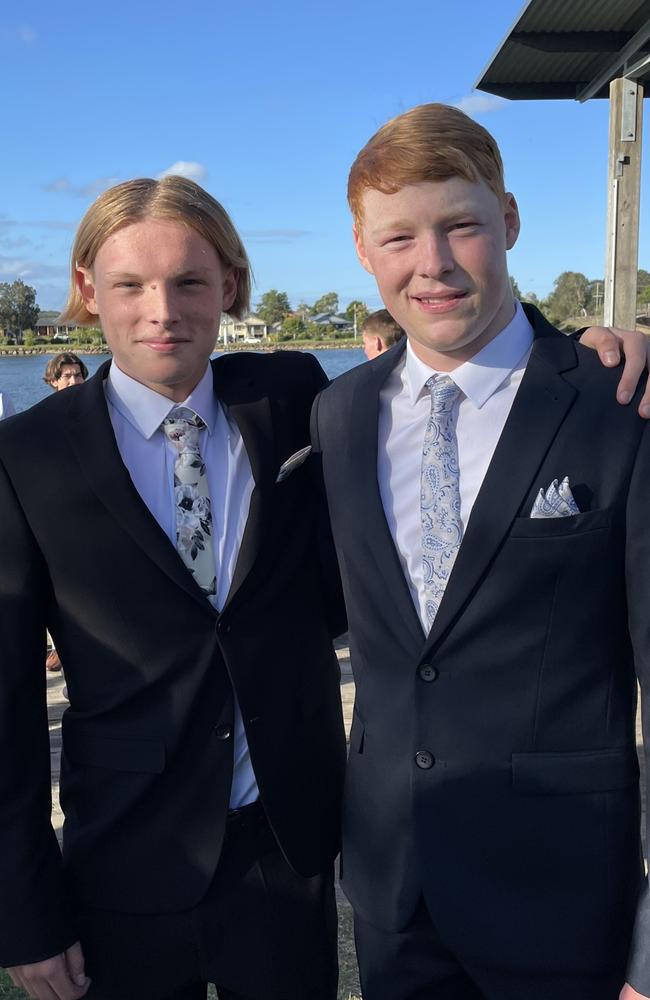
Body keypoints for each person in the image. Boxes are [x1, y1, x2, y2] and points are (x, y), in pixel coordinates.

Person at [311, 103, 650, 1000]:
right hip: (394, 897)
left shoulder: (619, 404)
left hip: (568, 899)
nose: (432, 264)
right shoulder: (339, 416)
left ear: (507, 220)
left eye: (460, 224)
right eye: (398, 238)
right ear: (361, 249)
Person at [0, 176, 346, 1000]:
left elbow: (445, 360)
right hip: (123, 857)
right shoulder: (24, 457)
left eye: (189, 281)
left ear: (228, 283)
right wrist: (24, 912)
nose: (163, 310)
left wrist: (581, 349)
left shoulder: (292, 395)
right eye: (130, 285)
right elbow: (9, 704)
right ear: (88, 290)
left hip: (286, 848)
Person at [43, 353, 89, 674]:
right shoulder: (41, 422)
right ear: (53, 382)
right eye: (67, 377)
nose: (73, 381)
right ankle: (61, 646)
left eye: (77, 375)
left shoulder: (98, 418)